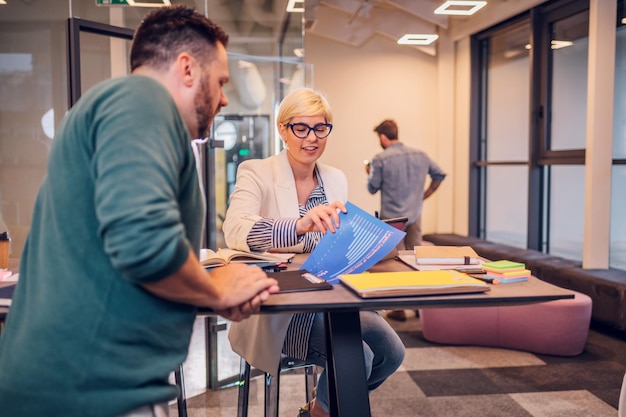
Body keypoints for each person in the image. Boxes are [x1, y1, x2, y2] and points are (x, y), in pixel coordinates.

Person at [0, 6, 279, 417]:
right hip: (89, 390)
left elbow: (124, 252)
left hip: (85, 383)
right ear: (187, 68)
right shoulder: (141, 99)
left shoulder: (119, 108)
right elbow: (143, 242)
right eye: (220, 81)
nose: (223, 98)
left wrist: (208, 292)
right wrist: (217, 290)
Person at [223, 88, 406, 417]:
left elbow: (335, 243)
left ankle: (317, 407)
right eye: (301, 128)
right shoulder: (256, 172)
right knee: (356, 357)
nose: (312, 138)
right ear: (283, 129)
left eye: (320, 128)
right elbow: (235, 229)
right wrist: (299, 225)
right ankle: (321, 412)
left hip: (328, 297)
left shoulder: (335, 179)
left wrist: (366, 241)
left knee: (392, 353)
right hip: (280, 309)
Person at [366, 119, 446, 321]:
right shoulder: (420, 155)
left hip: (392, 217)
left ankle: (399, 308)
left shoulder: (380, 159)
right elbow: (440, 174)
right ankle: (420, 307)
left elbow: (372, 188)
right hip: (415, 214)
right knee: (416, 258)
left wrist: (369, 173)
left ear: (383, 137)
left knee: (394, 261)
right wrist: (425, 195)